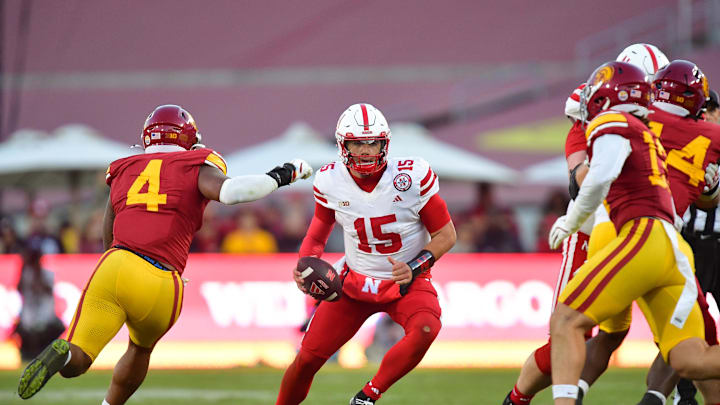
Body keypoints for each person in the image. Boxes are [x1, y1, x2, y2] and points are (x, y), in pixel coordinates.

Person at [16, 104, 313, 404]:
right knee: (139, 348)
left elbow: (110, 231)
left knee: (78, 357)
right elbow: (233, 192)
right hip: (161, 278)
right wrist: (284, 174)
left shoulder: (123, 168)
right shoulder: (194, 163)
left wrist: (117, 270)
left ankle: (63, 356)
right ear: (188, 138)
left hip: (115, 263)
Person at [502, 43, 670, 405]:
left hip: (651, 234)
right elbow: (584, 181)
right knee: (566, 336)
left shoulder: (671, 123)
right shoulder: (597, 122)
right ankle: (518, 399)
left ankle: (672, 396)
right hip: (595, 233)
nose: (651, 98)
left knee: (678, 334)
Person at [548, 61, 720, 405]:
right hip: (675, 246)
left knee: (566, 321)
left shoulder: (622, 121)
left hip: (639, 233)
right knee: (691, 359)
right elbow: (708, 195)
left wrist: (569, 221)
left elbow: (597, 178)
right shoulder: (705, 134)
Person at [275, 103, 456, 405]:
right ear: (342, 145)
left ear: (384, 143)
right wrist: (305, 262)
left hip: (405, 282)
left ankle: (367, 397)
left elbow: (446, 234)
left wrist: (415, 266)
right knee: (306, 359)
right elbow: (319, 227)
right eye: (357, 142)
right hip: (353, 284)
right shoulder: (331, 181)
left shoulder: (411, 177)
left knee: (427, 328)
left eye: (373, 141)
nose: (366, 150)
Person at [678, 88, 720, 404]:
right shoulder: (689, 140)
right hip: (691, 242)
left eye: (711, 109)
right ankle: (684, 394)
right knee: (687, 323)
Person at [14, 237, 66, 361]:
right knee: (21, 329)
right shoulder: (26, 274)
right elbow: (19, 289)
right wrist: (23, 266)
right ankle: (27, 353)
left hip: (44, 315)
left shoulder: (46, 273)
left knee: (56, 327)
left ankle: (44, 353)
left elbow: (48, 289)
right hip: (29, 315)